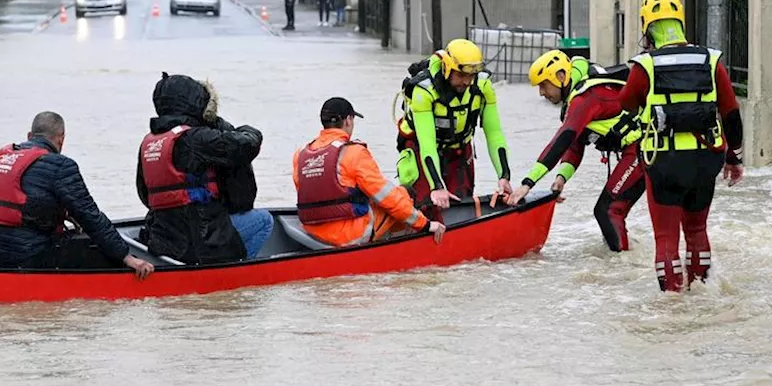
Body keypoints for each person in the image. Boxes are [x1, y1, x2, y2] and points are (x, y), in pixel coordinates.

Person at [618, 0, 745, 292]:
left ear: (647, 27)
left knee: (666, 237)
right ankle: (702, 290)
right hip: (705, 160)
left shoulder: (644, 65)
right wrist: (734, 158)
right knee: (697, 229)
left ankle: (672, 305)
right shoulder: (711, 60)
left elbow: (626, 103)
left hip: (664, 163)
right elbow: (731, 112)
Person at [0, 112, 154, 279]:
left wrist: (64, 214)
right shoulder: (61, 165)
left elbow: (26, 202)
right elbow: (90, 215)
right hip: (26, 257)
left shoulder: (3, 157)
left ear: (30, 135)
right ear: (61, 139)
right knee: (95, 247)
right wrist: (126, 257)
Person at [507, 50, 646, 252]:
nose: (541, 93)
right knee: (607, 211)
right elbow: (575, 146)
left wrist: (527, 184)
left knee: (608, 211)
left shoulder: (585, 98)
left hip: (643, 150)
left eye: (544, 85)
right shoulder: (578, 97)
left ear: (561, 77)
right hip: (637, 151)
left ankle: (625, 266)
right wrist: (561, 178)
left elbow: (562, 141)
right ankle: (623, 260)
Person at [136, 73, 272, 264]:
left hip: (163, 238)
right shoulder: (196, 138)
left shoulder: (150, 143)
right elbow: (246, 145)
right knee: (264, 220)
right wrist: (246, 130)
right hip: (201, 241)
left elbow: (144, 195)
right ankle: (237, 273)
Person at [293, 97, 447, 246]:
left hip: (311, 232)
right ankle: (409, 245)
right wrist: (425, 224)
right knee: (403, 194)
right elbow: (388, 197)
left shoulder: (301, 154)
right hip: (348, 236)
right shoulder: (354, 153)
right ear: (348, 120)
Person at [395, 39, 513, 217]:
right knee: (425, 207)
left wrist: (504, 175)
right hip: (422, 151)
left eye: (470, 76)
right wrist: (437, 186)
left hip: (458, 150)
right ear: (447, 68)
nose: (466, 82)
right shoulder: (424, 91)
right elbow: (427, 143)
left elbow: (494, 133)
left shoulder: (483, 87)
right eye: (460, 75)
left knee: (461, 205)